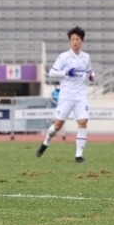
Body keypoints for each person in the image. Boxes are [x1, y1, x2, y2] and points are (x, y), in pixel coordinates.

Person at [38, 27, 93, 162]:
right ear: (70, 41)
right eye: (72, 39)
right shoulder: (64, 57)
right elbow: (51, 72)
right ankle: (46, 142)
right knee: (57, 126)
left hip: (80, 96)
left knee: (83, 122)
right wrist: (66, 73)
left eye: (77, 39)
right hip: (66, 95)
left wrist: (92, 76)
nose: (75, 42)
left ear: (82, 41)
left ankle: (78, 155)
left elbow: (90, 72)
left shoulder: (86, 57)